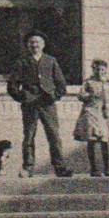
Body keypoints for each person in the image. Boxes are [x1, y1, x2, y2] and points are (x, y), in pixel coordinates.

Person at [6, 31, 72, 178]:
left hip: (47, 103)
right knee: (29, 136)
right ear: (27, 45)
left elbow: (61, 83)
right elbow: (12, 85)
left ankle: (60, 167)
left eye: (37, 42)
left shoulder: (51, 61)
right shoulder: (22, 62)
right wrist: (22, 96)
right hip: (30, 104)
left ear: (43, 44)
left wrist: (54, 96)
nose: (34, 45)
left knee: (54, 135)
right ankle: (28, 167)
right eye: (31, 42)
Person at [74, 58, 109, 177]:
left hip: (105, 114)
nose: (100, 72)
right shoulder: (88, 82)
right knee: (92, 139)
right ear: (93, 70)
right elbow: (80, 95)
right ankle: (94, 169)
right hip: (91, 111)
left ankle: (107, 168)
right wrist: (90, 95)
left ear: (105, 70)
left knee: (105, 141)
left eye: (102, 70)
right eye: (97, 69)